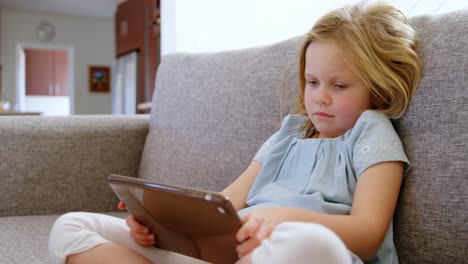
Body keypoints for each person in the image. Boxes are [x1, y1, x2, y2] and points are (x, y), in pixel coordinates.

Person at [48, 2, 421, 263]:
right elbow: (227, 201)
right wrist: (161, 222)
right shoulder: (289, 133)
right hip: (234, 252)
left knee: (312, 244)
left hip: (304, 253)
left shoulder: (372, 131)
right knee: (71, 227)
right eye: (311, 82)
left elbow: (369, 234)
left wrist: (284, 219)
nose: (319, 97)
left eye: (339, 86)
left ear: (378, 89)